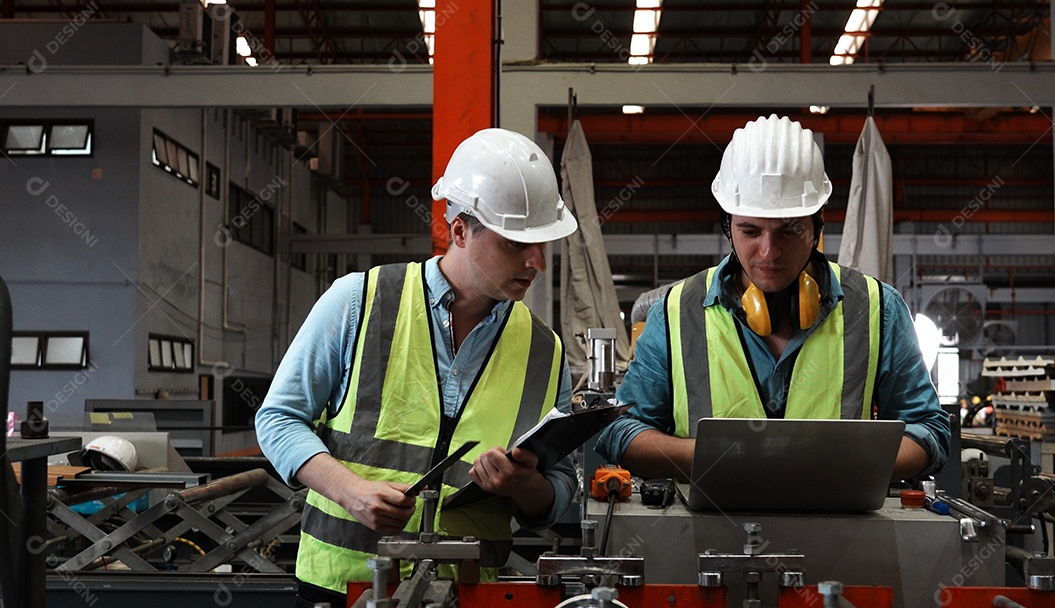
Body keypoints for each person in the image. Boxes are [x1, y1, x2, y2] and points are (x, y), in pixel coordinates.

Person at [256, 128, 579, 608]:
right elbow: (278, 419)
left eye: (543, 244)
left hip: (470, 592)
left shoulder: (544, 349)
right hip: (344, 587)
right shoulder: (358, 302)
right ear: (462, 230)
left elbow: (560, 489)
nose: (537, 263)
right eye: (516, 243)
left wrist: (524, 485)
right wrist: (352, 493)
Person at [596, 114, 950, 483]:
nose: (768, 253)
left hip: (841, 532)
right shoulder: (675, 312)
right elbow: (622, 432)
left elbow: (929, 430)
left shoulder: (879, 308)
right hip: (709, 534)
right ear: (727, 227)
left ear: (817, 226)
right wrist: (715, 457)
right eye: (750, 231)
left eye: (789, 231)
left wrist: (844, 469)